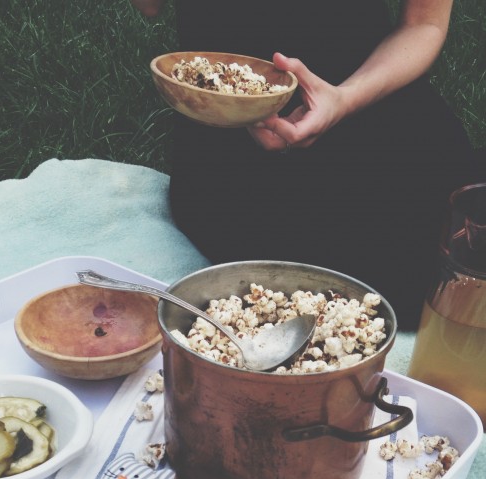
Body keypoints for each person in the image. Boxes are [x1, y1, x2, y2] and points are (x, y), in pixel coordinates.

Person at [132, 0, 481, 328]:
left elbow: (423, 24)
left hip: (370, 107)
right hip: (227, 137)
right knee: (271, 304)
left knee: (444, 285)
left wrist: (345, 99)